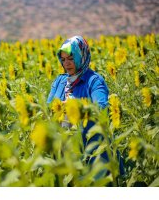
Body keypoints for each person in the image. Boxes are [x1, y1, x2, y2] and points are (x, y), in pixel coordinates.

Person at [47, 35, 124, 178]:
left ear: (81, 55)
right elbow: (48, 108)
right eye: (63, 60)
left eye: (71, 58)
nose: (67, 64)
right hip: (65, 153)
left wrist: (74, 107)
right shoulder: (60, 81)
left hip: (94, 152)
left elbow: (101, 109)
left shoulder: (93, 81)